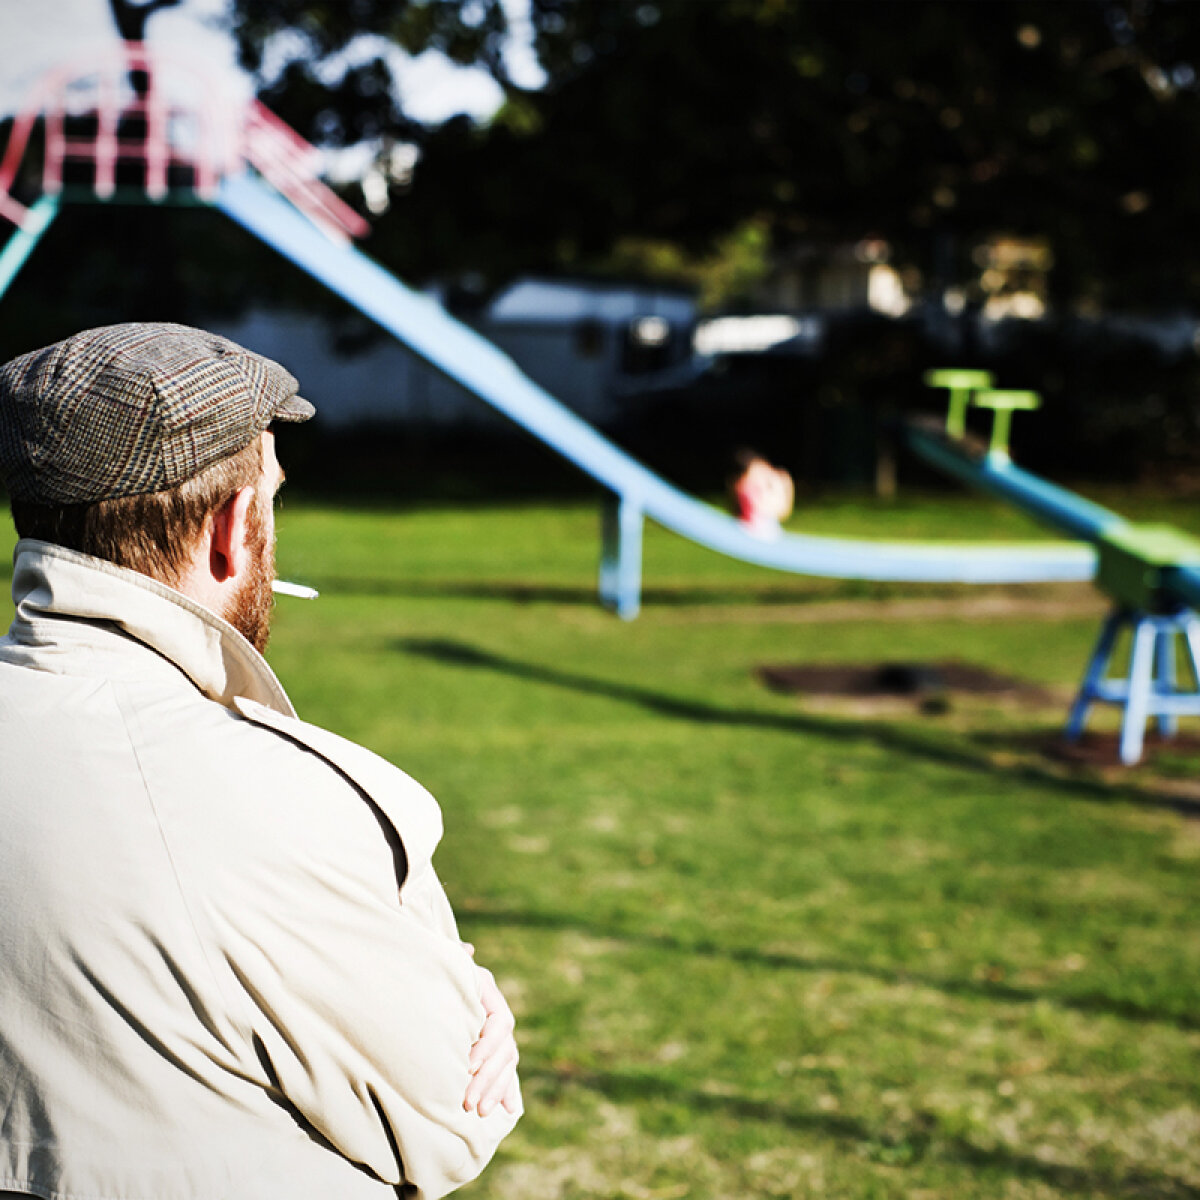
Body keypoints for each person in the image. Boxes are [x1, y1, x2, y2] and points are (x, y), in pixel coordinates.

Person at [0, 323, 521, 1200]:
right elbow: (452, 1114)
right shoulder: (280, 798)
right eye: (273, 496)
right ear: (234, 527)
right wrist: (470, 1003)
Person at [730, 449, 794, 537]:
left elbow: (782, 511)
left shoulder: (767, 484)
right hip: (753, 529)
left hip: (765, 528)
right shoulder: (745, 487)